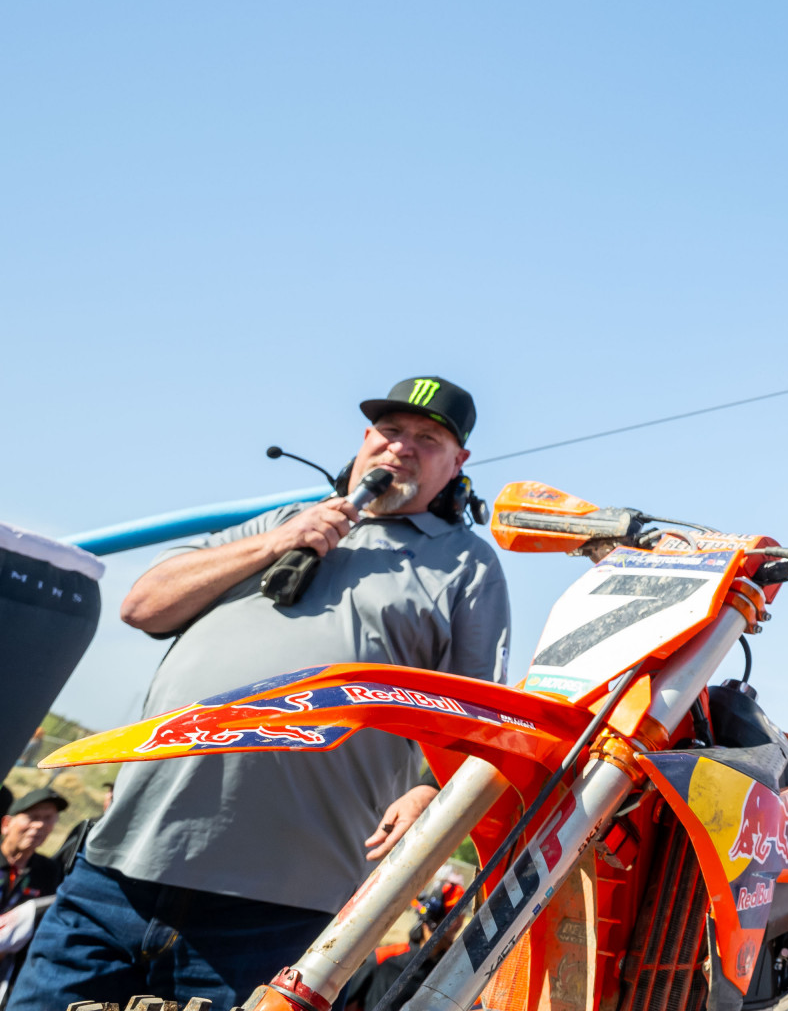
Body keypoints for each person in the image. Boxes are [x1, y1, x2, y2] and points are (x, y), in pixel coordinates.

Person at [12, 377, 510, 1011]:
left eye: (428, 438)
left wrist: (431, 791)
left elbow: (480, 717)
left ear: (457, 463)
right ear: (364, 441)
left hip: (282, 906)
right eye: (389, 431)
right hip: (117, 875)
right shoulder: (281, 523)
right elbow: (143, 605)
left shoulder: (467, 565)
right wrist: (279, 541)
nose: (401, 449)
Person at [0, 787, 69, 1000]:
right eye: (33, 817)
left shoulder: (49, 871)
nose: (39, 825)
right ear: (6, 824)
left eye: (48, 818)